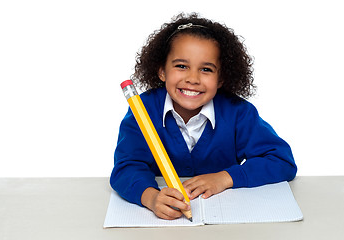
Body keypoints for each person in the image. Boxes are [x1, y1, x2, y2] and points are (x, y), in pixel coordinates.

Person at [110, 13, 297, 220]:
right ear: (162, 71)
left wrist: (225, 178)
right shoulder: (142, 110)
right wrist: (151, 197)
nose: (193, 79)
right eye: (181, 66)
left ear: (221, 78)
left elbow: (281, 161)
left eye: (206, 69)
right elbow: (126, 167)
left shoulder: (238, 112)